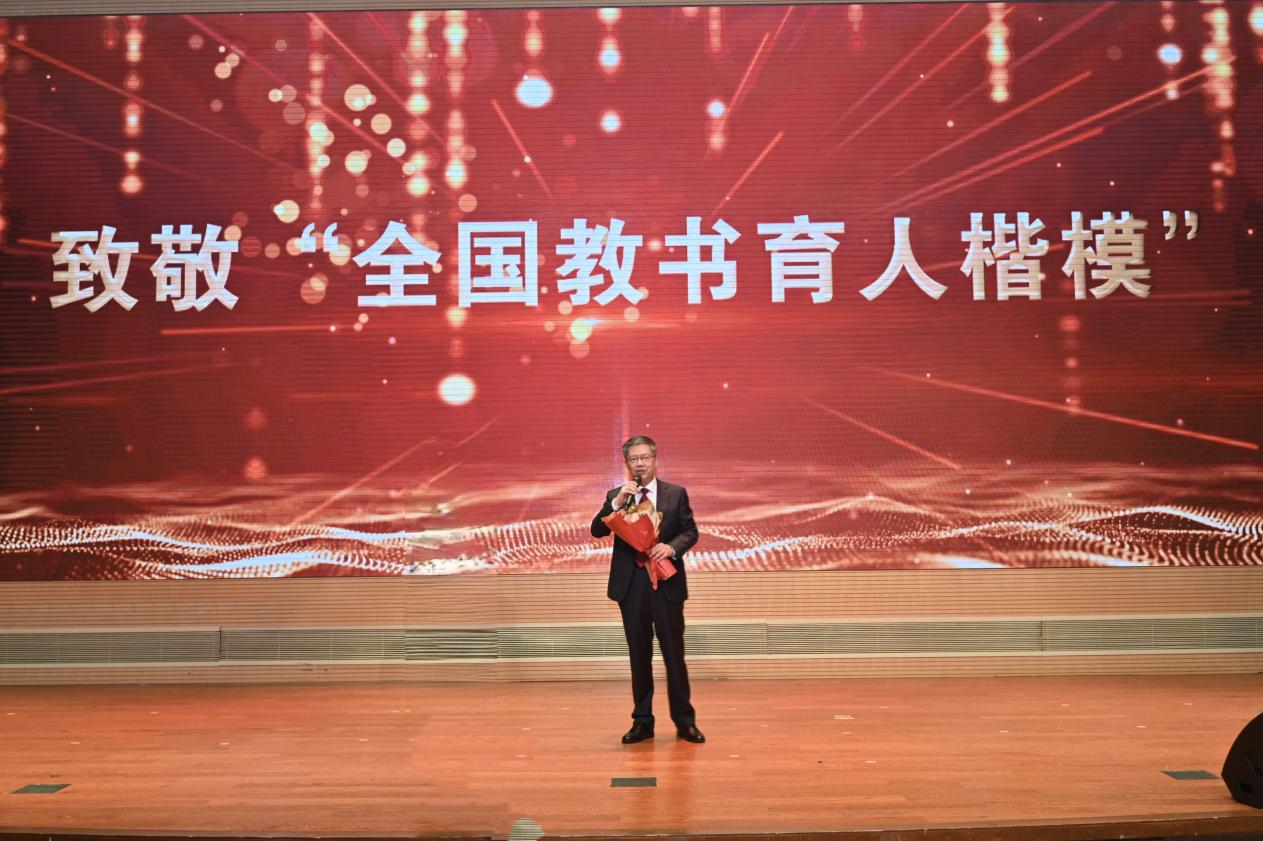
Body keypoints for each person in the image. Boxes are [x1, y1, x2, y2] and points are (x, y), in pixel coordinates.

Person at [590, 435, 704, 745]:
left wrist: (671, 547)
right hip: (632, 586)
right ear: (627, 463)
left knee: (673, 655)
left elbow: (690, 531)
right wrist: (615, 504)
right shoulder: (617, 495)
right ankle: (642, 722)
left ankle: (684, 721)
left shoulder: (675, 494)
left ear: (655, 460)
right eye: (634, 459)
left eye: (645, 458)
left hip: (666, 582)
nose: (639, 463)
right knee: (639, 655)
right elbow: (597, 530)